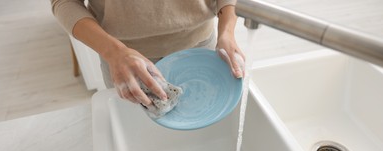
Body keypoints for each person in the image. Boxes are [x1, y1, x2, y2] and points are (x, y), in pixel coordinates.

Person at [51, 0, 244, 106]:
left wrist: (227, 30)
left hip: (200, 45)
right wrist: (114, 52)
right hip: (124, 59)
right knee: (138, 131)